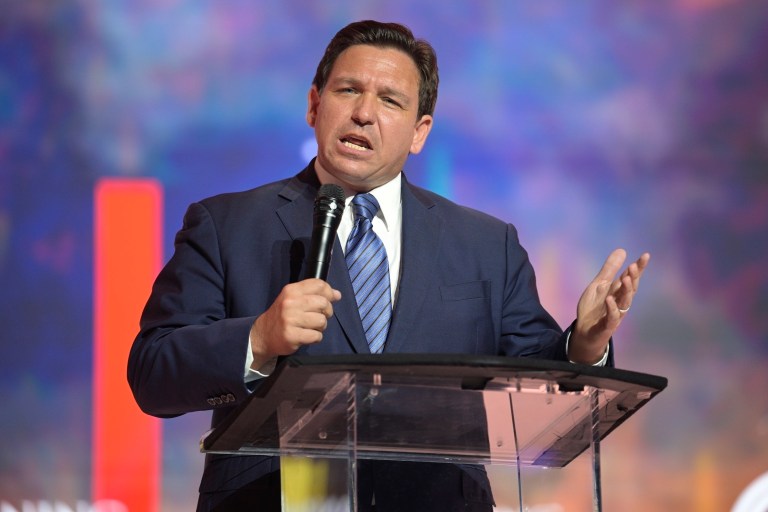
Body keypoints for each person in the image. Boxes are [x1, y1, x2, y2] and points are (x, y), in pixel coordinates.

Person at [128, 20, 650, 511]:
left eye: (390, 100)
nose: (363, 113)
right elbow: (152, 374)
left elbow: (539, 379)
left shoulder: (486, 244)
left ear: (419, 131)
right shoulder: (226, 224)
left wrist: (584, 345)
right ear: (314, 105)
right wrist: (259, 340)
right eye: (348, 90)